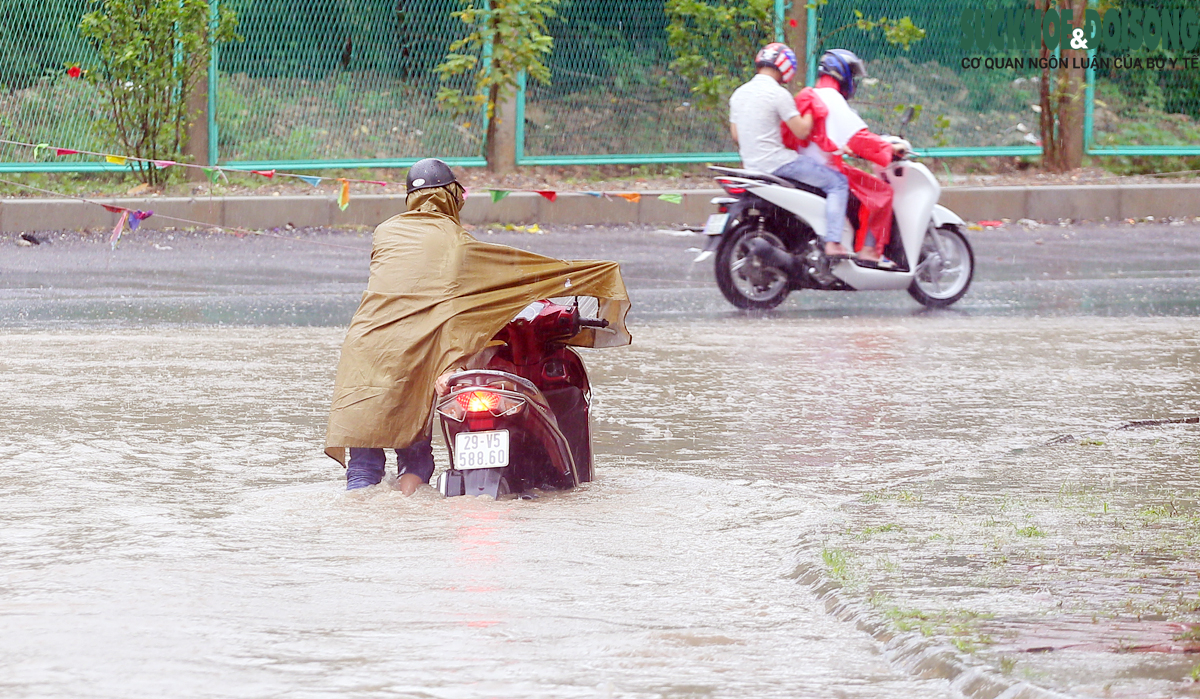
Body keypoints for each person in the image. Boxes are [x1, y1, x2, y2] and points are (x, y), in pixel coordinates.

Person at [325, 159, 631, 495]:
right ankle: (405, 518)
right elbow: (515, 273)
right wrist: (596, 274)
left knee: (363, 468)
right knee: (415, 459)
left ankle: (359, 524)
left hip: (364, 345)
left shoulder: (384, 232)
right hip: (417, 350)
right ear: (452, 197)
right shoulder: (458, 243)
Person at [781, 49, 908, 265]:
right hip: (825, 168)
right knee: (881, 192)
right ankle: (870, 251)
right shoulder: (832, 99)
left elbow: (824, 135)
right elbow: (860, 139)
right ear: (842, 73)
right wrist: (890, 149)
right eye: (852, 74)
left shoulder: (809, 94)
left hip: (809, 164)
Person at [728, 42, 853, 260]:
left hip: (752, 167)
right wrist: (813, 106)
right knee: (838, 183)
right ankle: (833, 242)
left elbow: (737, 136)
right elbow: (803, 131)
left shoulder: (738, 94)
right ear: (785, 67)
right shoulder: (778, 94)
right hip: (779, 164)